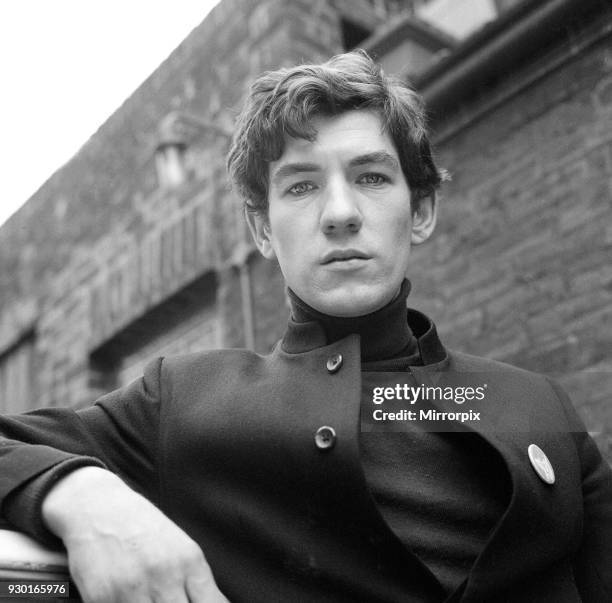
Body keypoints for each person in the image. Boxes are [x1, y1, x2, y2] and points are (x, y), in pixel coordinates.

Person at [0, 50, 611, 603]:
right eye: (301, 186)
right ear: (263, 231)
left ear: (420, 210)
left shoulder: (541, 407)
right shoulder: (180, 403)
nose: (341, 214)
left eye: (371, 177)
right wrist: (86, 496)